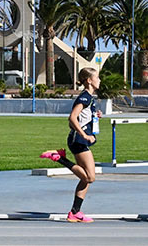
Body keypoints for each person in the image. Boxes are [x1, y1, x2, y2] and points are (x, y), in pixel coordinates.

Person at [39, 67, 102, 223]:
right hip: (78, 141)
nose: (99, 80)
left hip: (79, 141)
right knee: (90, 177)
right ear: (89, 80)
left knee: (85, 178)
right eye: (97, 77)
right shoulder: (85, 98)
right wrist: (84, 135)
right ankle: (59, 158)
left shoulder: (89, 98)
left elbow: (82, 117)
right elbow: (72, 118)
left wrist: (96, 115)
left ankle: (75, 212)